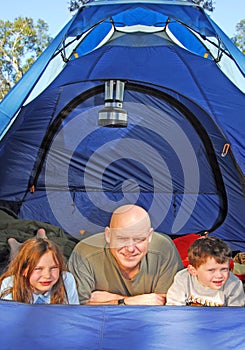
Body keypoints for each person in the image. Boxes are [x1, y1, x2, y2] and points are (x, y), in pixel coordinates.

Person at [68, 204, 183, 305]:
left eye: (139, 239)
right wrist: (129, 301)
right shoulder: (85, 253)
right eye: (122, 239)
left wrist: (114, 300)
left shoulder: (163, 249)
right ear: (108, 235)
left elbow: (169, 305)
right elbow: (77, 309)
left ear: (150, 236)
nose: (130, 248)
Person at [166, 236, 245, 307]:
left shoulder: (234, 284)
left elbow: (235, 316)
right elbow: (174, 310)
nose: (219, 275)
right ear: (193, 270)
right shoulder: (183, 279)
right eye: (211, 270)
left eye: (224, 269)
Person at [0, 237, 79, 304]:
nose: (47, 275)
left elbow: (73, 315)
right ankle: (15, 250)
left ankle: (42, 237)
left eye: (53, 268)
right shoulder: (10, 285)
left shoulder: (67, 280)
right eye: (38, 269)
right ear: (23, 270)